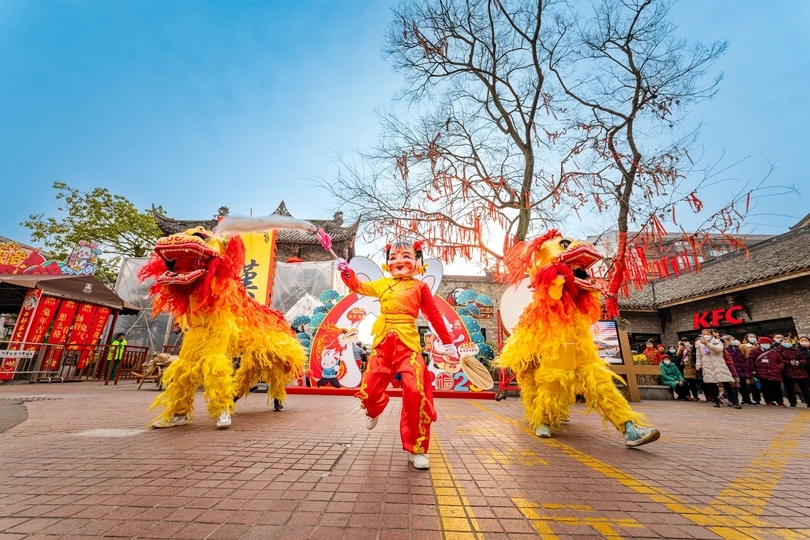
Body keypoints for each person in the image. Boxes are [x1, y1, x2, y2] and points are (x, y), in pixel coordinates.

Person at [338, 241, 458, 470]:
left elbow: (434, 316)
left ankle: (418, 449)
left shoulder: (419, 287)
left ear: (416, 262)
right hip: (383, 344)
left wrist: (448, 342)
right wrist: (346, 271)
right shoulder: (382, 284)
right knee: (370, 389)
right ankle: (374, 409)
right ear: (387, 263)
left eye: (405, 256)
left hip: (408, 345)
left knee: (416, 392)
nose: (398, 261)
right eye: (393, 257)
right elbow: (358, 286)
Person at [694, 329, 736, 408]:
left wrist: (707, 344)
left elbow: (718, 350)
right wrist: (698, 364)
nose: (705, 335)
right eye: (703, 334)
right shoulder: (699, 344)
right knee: (712, 384)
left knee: (726, 384)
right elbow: (698, 356)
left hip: (719, 365)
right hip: (708, 366)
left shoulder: (717, 341)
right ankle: (716, 401)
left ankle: (735, 401)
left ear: (711, 335)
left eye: (707, 334)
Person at [750, 337, 785, 407]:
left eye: (767, 343)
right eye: (763, 343)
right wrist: (753, 370)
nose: (765, 344)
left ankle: (780, 402)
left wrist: (779, 367)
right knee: (766, 388)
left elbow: (781, 361)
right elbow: (751, 361)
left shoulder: (774, 352)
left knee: (777, 388)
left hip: (775, 372)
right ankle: (768, 401)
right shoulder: (754, 351)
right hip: (762, 372)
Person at [776, 338, 810, 407]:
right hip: (787, 372)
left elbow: (803, 359)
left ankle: (808, 401)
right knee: (790, 389)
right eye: (785, 341)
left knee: (805, 388)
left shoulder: (796, 350)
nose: (787, 343)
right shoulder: (777, 350)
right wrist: (788, 362)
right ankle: (792, 402)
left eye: (789, 341)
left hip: (800, 371)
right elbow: (779, 360)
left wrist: (799, 362)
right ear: (781, 343)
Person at [724, 336, 754, 405]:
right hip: (733, 369)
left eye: (734, 339)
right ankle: (734, 400)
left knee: (744, 385)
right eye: (732, 339)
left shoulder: (737, 348)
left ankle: (747, 400)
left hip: (741, 369)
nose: (734, 340)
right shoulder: (726, 349)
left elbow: (742, 358)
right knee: (734, 386)